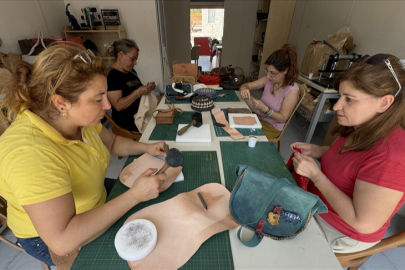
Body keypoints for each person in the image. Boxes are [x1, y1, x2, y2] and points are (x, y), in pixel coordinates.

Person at [0, 45, 169, 266]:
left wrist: (146, 148)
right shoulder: (29, 153)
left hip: (93, 198)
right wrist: (134, 195)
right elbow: (62, 240)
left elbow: (113, 142)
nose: (107, 106)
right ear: (61, 103)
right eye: (98, 99)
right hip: (51, 237)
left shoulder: (77, 119)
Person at [291, 53, 405, 253]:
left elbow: (363, 222)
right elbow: (352, 160)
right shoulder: (362, 124)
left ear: (384, 103)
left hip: (343, 230)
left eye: (349, 99)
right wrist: (320, 151)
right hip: (321, 205)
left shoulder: (391, 157)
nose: (336, 106)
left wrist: (316, 176)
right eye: (340, 96)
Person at [240, 47, 299, 140]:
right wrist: (244, 89)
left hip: (272, 127)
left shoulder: (292, 90)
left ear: (285, 71)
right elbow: (246, 85)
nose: (268, 76)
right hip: (258, 119)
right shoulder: (269, 80)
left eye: (272, 73)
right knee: (235, 128)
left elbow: (283, 118)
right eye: (267, 71)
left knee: (242, 138)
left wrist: (265, 109)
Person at [107, 38, 156, 132]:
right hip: (126, 120)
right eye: (132, 59)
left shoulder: (131, 71)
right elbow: (118, 105)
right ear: (120, 54)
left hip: (140, 113)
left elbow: (137, 89)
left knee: (163, 117)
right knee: (158, 125)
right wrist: (138, 92)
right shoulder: (112, 76)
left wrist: (147, 88)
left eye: (136, 59)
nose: (135, 62)